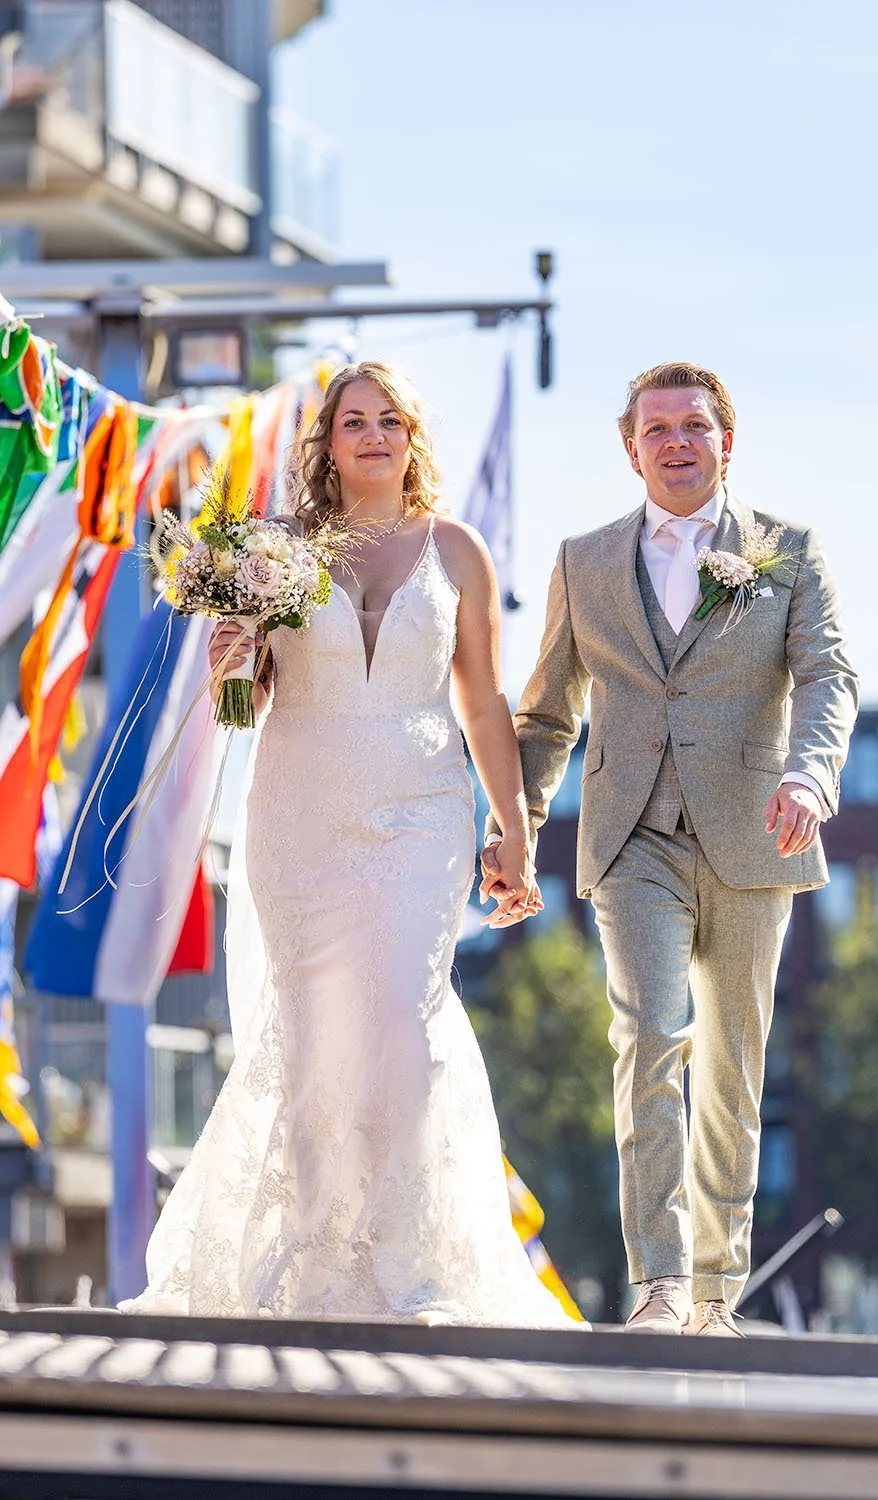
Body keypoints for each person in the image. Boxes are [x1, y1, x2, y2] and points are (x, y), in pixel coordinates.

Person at [121, 361, 573, 1326]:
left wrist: (517, 829)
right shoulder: (275, 547)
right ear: (324, 442)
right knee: (320, 1033)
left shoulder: (458, 551)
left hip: (421, 811)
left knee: (399, 1025)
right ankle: (320, 1262)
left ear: (413, 436)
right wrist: (233, 661)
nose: (371, 436)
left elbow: (484, 701)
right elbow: (255, 703)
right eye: (351, 421)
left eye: (389, 420)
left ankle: (409, 1264)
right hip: (300, 813)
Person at [482, 362, 858, 1336]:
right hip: (630, 836)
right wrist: (516, 827)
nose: (677, 442)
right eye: (657, 429)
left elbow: (827, 675)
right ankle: (656, 1283)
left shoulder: (788, 551)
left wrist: (810, 775)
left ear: (725, 440)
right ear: (631, 447)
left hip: (753, 833)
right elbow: (547, 713)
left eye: (695, 425)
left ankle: (714, 1293)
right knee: (651, 1034)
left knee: (732, 1060)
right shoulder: (583, 561)